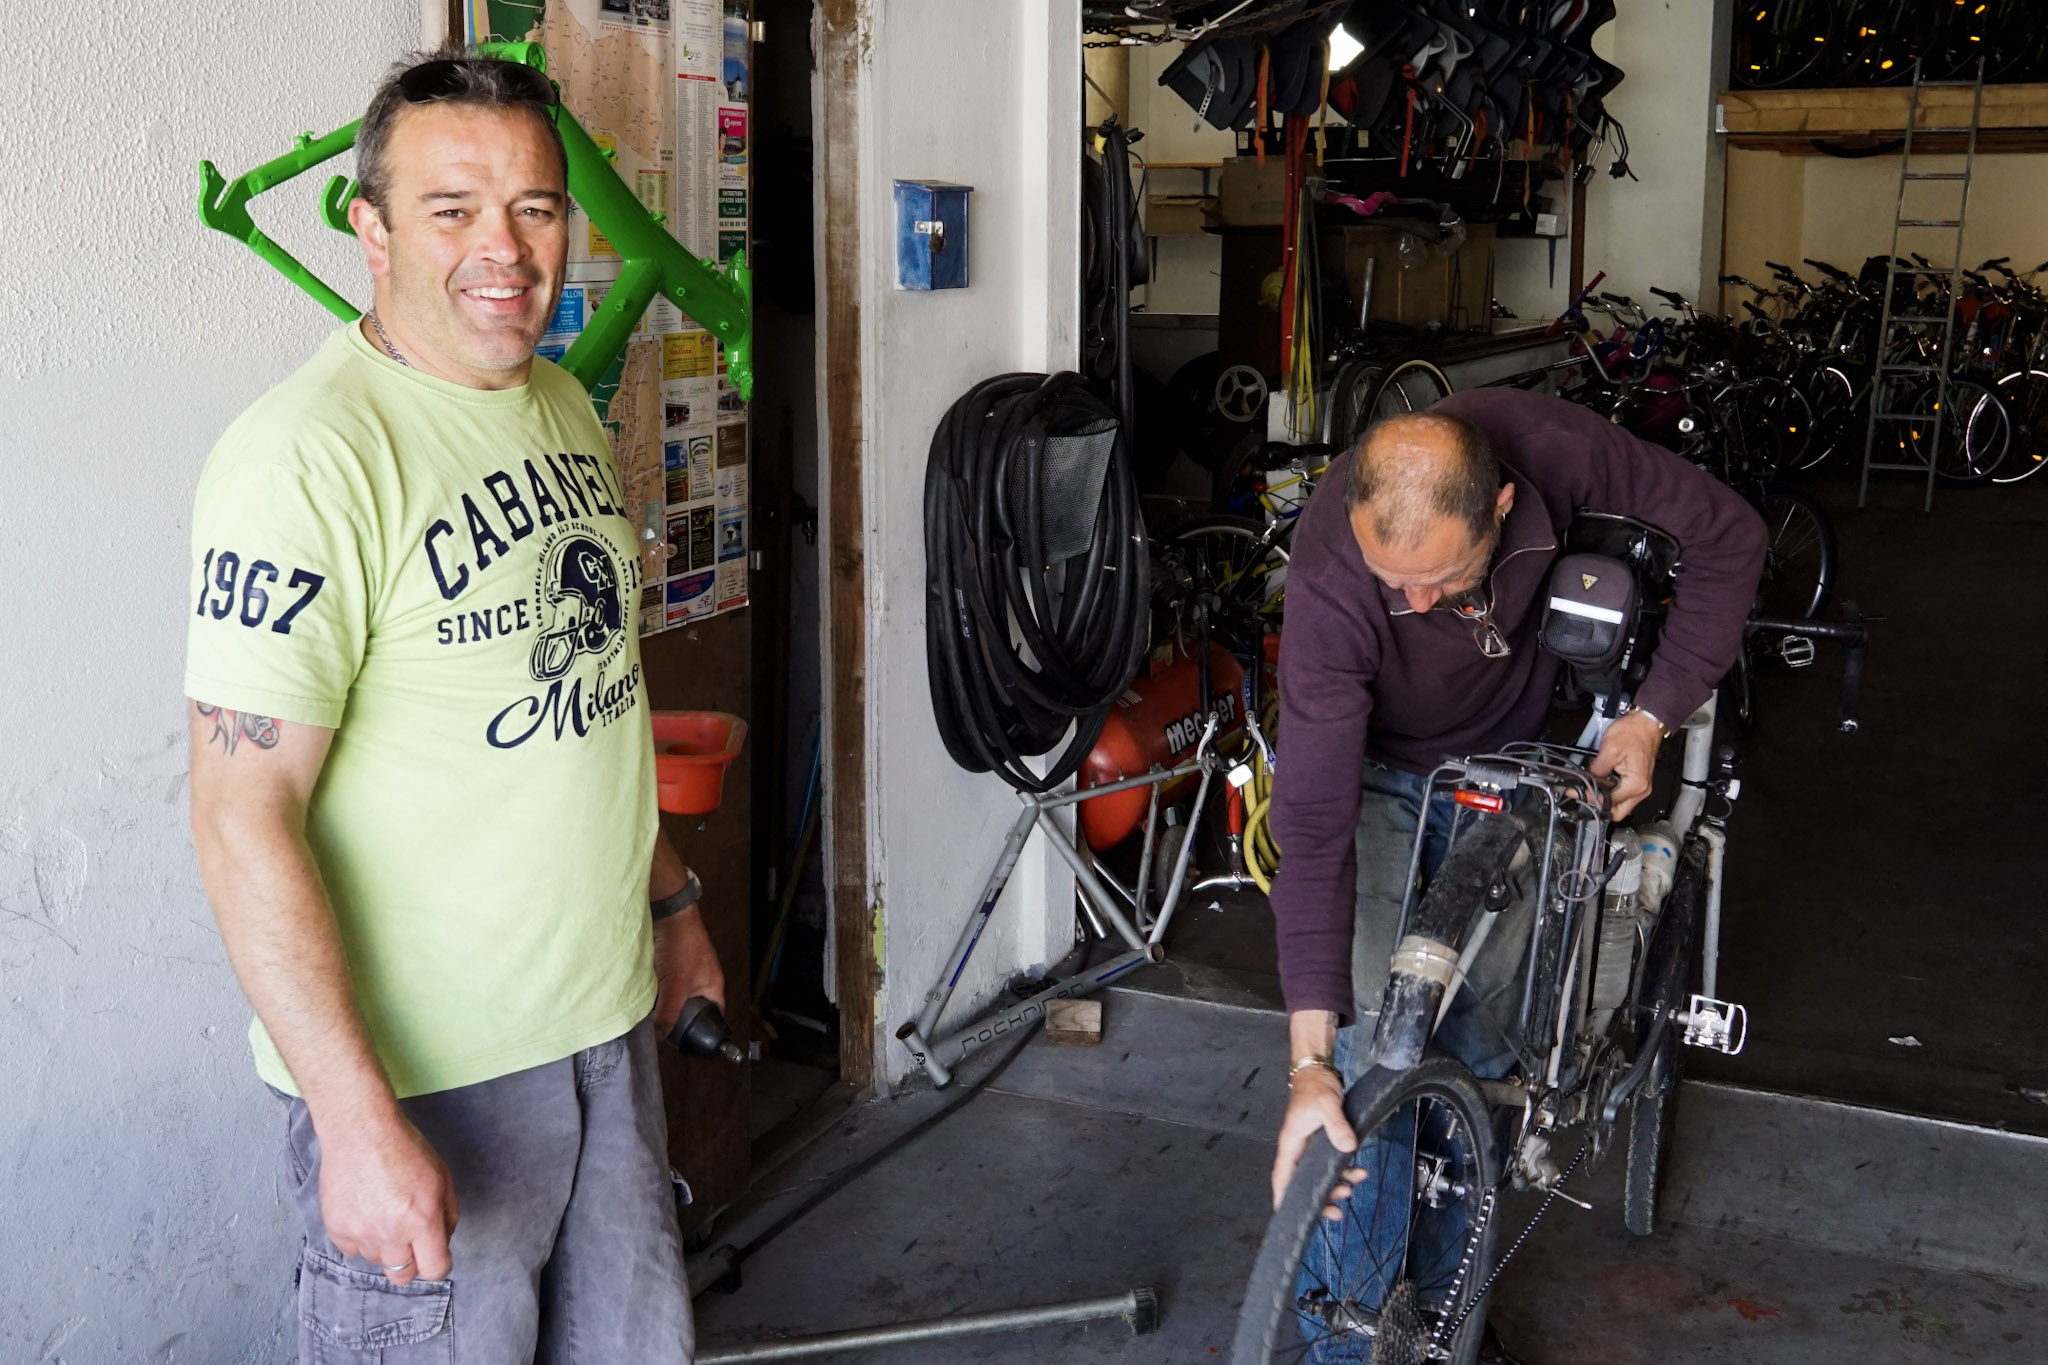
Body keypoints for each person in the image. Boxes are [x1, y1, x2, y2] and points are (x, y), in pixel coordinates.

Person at [184, 45, 719, 1362]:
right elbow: (241, 814)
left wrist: (673, 907)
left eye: (535, 207)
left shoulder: (560, 407)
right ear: (370, 231)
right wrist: (354, 1119)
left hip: (603, 1029)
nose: (505, 249)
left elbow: (587, 700)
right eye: (451, 209)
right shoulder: (304, 460)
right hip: (428, 1081)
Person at [1264, 389, 1766, 1339]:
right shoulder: (1333, 568)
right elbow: (1317, 827)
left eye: (1439, 579)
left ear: (1499, 507)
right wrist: (1308, 1064)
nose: (1415, 605)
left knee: (1484, 1056)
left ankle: (1445, 1322)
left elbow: (1731, 538)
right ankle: (1351, 1346)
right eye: (1394, 583)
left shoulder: (1555, 446)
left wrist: (1652, 715)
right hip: (1376, 769)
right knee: (1374, 1059)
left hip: (1514, 765)